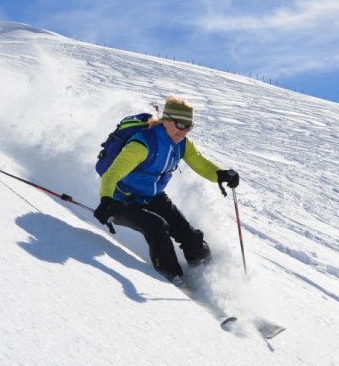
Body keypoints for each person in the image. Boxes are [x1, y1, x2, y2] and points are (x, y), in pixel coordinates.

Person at [93, 96, 241, 287]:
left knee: (190, 235)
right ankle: (173, 279)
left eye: (189, 126)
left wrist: (221, 175)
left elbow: (201, 164)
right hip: (121, 200)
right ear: (166, 120)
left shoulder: (182, 144)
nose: (184, 130)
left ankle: (211, 278)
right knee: (157, 227)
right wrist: (106, 202)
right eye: (180, 124)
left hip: (153, 197)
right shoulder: (143, 144)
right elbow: (111, 175)